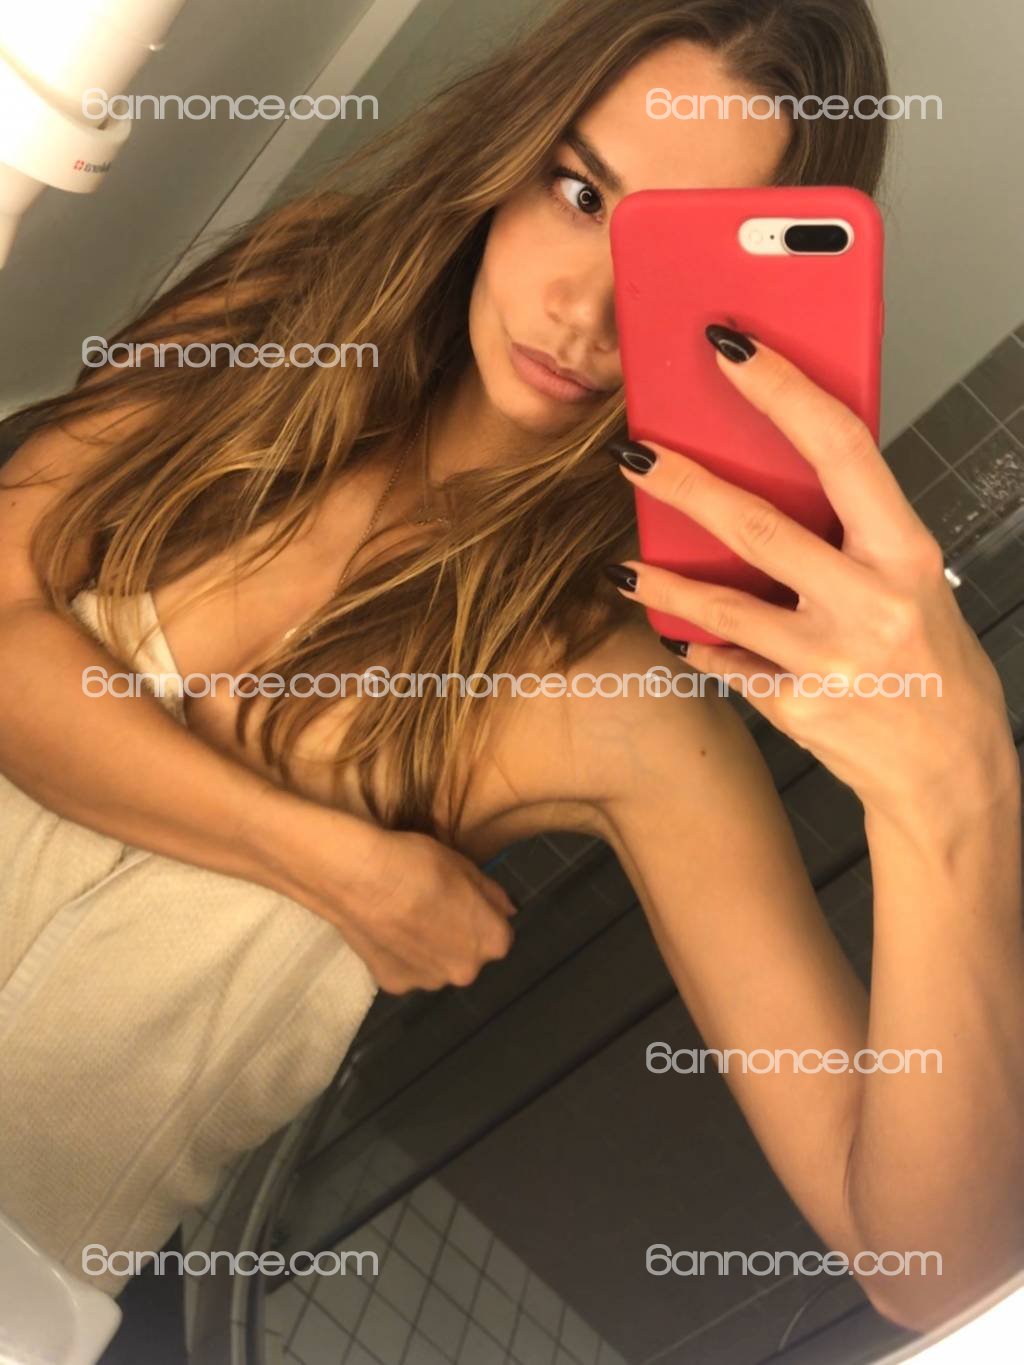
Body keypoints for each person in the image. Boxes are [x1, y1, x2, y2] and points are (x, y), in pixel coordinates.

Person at [0, 0, 1020, 1335]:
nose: (585, 310)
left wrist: (960, 793)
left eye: (669, 260)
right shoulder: (295, 305)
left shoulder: (616, 701)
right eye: (582, 192)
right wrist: (341, 865)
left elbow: (930, 1269)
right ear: (513, 146)